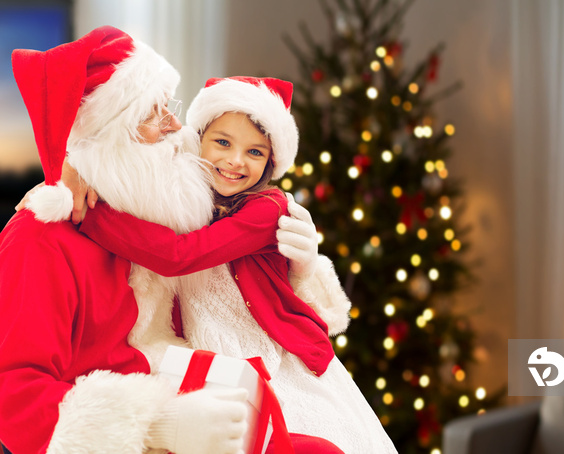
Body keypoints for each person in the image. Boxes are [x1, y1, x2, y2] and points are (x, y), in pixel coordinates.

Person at [0, 26, 339, 454]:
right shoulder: (41, 237)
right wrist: (158, 427)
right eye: (153, 114)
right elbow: (12, 397)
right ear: (111, 132)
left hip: (191, 387)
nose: (177, 126)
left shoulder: (152, 217)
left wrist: (304, 270)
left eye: (170, 106)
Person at [77, 76, 398, 453]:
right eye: (223, 142)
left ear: (271, 162)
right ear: (199, 139)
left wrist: (90, 214)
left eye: (255, 152)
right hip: (212, 360)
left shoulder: (267, 209)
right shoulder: (186, 195)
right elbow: (136, 177)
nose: (235, 161)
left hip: (273, 360)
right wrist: (81, 174)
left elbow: (181, 255)